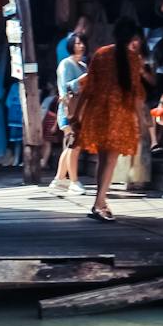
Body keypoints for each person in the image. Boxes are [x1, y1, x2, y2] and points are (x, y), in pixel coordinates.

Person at [74, 14, 145, 223]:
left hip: (98, 112)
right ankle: (98, 203)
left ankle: (101, 201)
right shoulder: (133, 59)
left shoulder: (101, 54)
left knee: (104, 159)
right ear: (132, 37)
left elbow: (87, 88)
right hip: (120, 114)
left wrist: (76, 114)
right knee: (110, 161)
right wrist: (141, 121)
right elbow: (135, 92)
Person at [47, 31, 88, 196]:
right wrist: (83, 79)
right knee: (74, 145)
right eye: (78, 43)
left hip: (81, 110)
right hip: (69, 110)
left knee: (71, 145)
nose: (81, 46)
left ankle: (58, 179)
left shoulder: (84, 65)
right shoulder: (65, 64)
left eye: (82, 43)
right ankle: (73, 181)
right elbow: (65, 88)